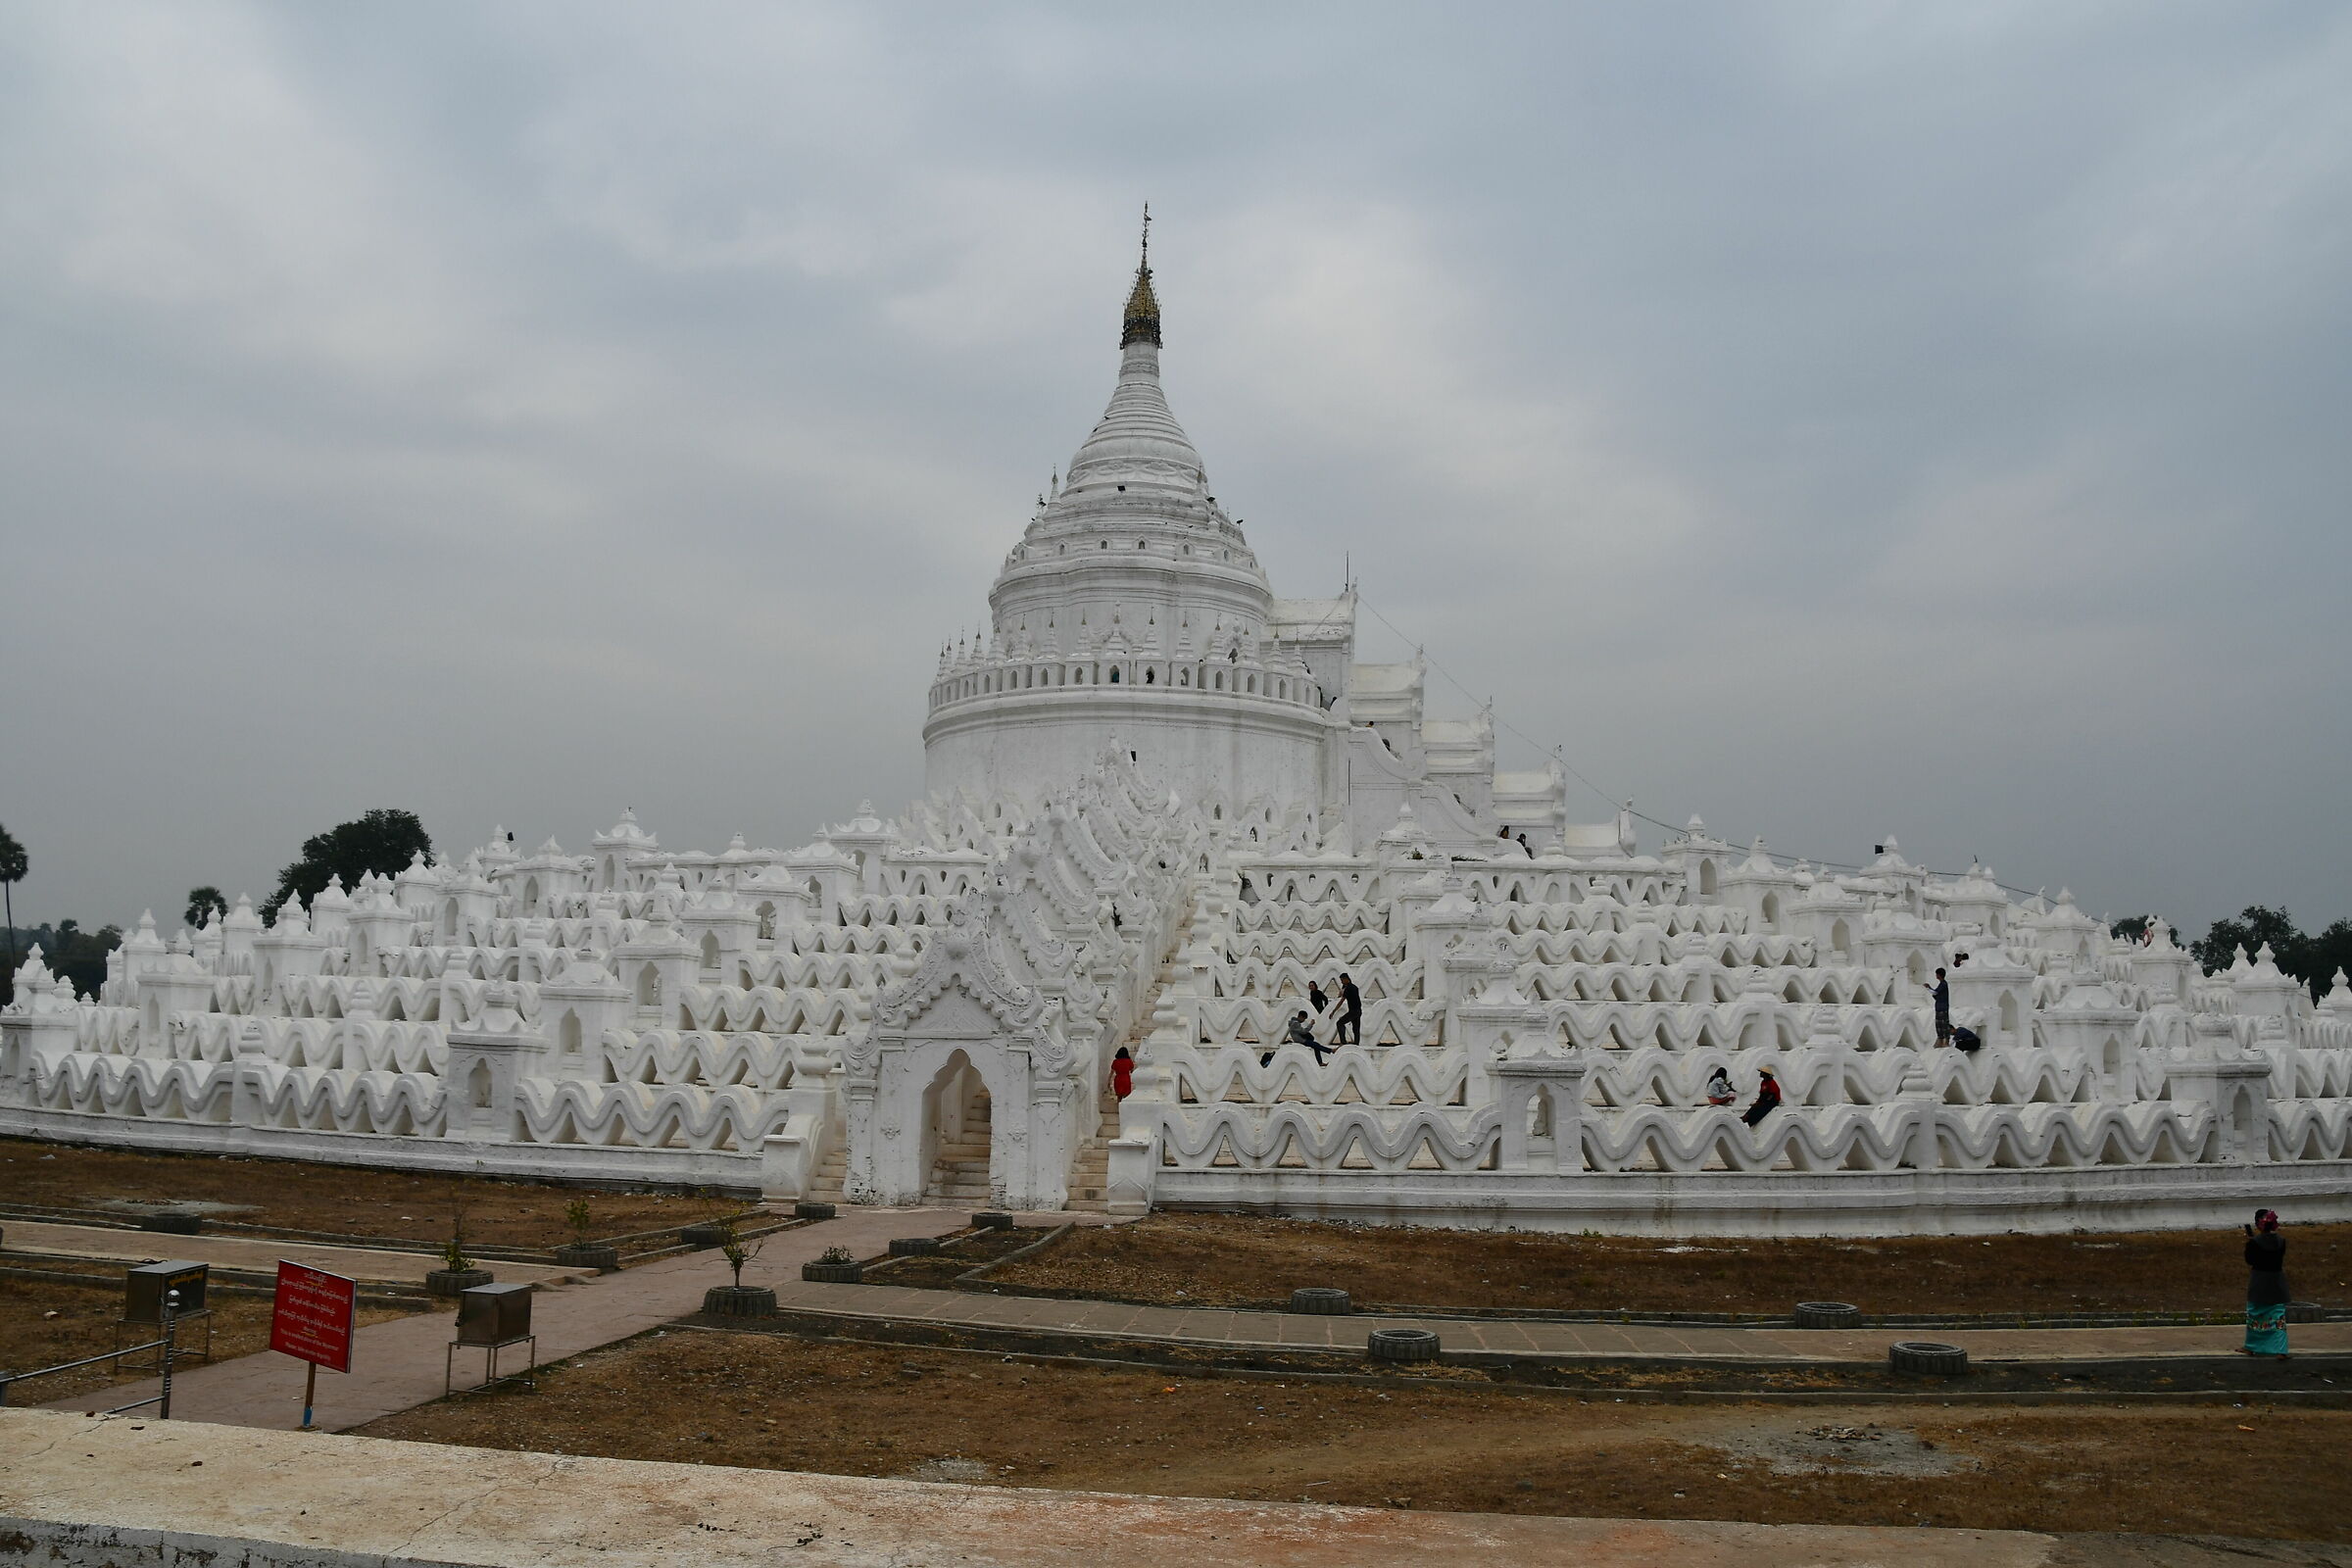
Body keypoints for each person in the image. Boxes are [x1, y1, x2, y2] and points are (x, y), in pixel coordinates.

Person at [2244, 1209, 2291, 1357]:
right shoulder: (2281, 1241)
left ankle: (2251, 1346)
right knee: (2278, 1317)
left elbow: (2250, 1260)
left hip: (2259, 1281)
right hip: (2277, 1281)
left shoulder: (2255, 1243)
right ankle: (2281, 1350)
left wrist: (2250, 1242)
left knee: (2255, 1315)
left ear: (2259, 1224)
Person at [1336, 972, 1363, 1047]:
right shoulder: (1354, 987)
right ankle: (1356, 1044)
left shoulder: (1348, 988)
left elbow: (1341, 1000)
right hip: (1358, 1010)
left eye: (1342, 980)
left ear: (1345, 979)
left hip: (1353, 1011)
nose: (1341, 982)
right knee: (1356, 1028)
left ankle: (1343, 1042)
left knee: (1339, 1023)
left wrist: (1333, 1011)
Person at [1929, 966, 1952, 1048]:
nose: (1936, 975)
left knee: (1944, 1024)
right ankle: (1940, 1040)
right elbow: (1936, 993)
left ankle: (1946, 1041)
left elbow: (1935, 993)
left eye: (1936, 974)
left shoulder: (1943, 984)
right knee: (1938, 1024)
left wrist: (1928, 988)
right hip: (1939, 1007)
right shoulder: (1941, 984)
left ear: (1939, 975)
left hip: (1943, 1007)